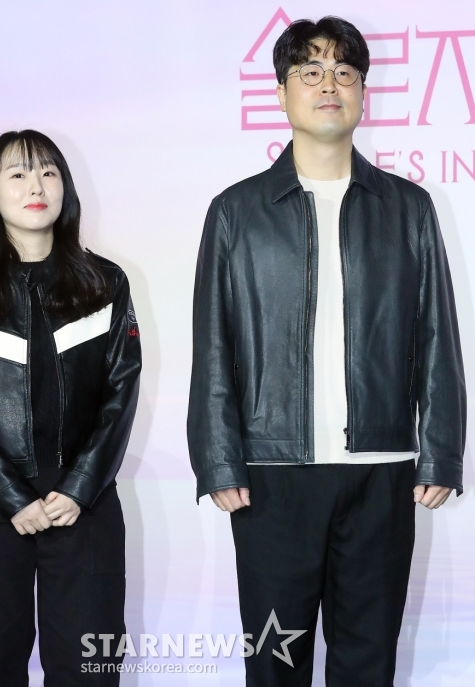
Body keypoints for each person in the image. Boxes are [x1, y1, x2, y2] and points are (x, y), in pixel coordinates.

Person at [187, 16, 465, 687]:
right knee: (275, 661)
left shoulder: (407, 208)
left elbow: (437, 334)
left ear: (364, 92)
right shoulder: (237, 212)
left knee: (367, 661)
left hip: (382, 471)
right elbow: (214, 344)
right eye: (309, 71)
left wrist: (441, 450)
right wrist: (219, 457)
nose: (328, 84)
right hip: (271, 474)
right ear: (281, 93)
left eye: (344, 71)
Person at [0, 130, 141, 686]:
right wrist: (12, 497)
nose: (36, 186)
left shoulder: (105, 284)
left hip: (82, 505)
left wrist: (80, 487)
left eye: (48, 172)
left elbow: (121, 394)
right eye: (17, 174)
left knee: (90, 669)